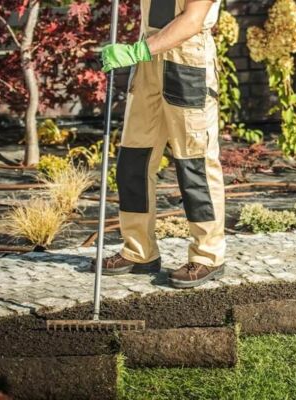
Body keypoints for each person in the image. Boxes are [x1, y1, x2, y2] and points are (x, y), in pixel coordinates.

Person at [94, 0, 225, 288]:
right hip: (148, 64)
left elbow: (191, 21)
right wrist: (140, 52)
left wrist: (136, 51)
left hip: (187, 61)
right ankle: (139, 252)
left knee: (195, 166)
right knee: (133, 161)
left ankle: (208, 255)